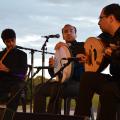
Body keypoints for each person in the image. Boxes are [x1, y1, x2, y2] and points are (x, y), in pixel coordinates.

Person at [75, 3, 120, 120]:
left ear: (111, 18)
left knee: (109, 90)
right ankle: (81, 117)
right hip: (115, 80)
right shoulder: (105, 37)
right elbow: (88, 45)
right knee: (87, 77)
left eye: (101, 18)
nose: (98, 22)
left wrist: (114, 54)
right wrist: (87, 57)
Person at [33, 24, 86, 114]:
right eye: (65, 31)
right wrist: (52, 67)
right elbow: (55, 75)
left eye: (71, 31)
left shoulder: (82, 46)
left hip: (77, 83)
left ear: (76, 34)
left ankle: (52, 116)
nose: (68, 33)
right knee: (39, 88)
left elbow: (82, 69)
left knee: (56, 88)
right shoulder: (60, 50)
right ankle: (39, 116)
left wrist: (67, 47)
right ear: (63, 36)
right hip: (61, 83)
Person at [0, 28, 27, 111]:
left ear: (15, 39)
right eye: (8, 41)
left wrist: (8, 70)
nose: (11, 43)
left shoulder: (22, 54)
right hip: (2, 83)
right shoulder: (1, 55)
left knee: (16, 88)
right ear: (4, 42)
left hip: (16, 82)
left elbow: (22, 74)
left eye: (13, 40)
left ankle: (9, 115)